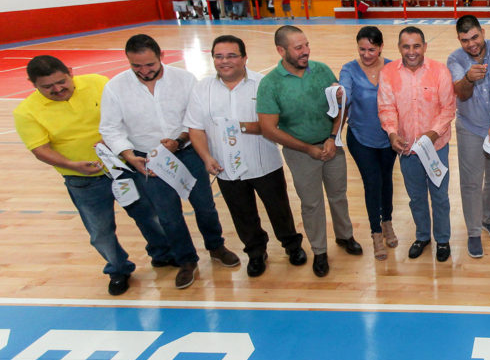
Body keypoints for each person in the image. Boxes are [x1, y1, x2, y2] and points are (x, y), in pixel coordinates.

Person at [14, 55, 172, 295]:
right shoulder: (25, 112)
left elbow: (125, 114)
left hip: (122, 168)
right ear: (32, 84)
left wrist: (115, 140)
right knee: (100, 230)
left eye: (61, 81)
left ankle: (164, 254)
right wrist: (72, 164)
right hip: (82, 180)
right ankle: (118, 268)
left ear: (70, 71)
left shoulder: (99, 83)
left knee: (148, 214)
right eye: (47, 87)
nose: (57, 89)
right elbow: (40, 149)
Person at [99, 34, 240, 290]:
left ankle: (216, 246)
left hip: (187, 152)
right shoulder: (115, 87)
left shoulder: (184, 80)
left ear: (161, 56)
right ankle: (186, 260)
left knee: (205, 207)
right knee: (168, 216)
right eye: (136, 66)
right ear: (128, 61)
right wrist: (129, 156)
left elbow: (197, 117)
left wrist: (179, 139)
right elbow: (110, 129)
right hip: (147, 161)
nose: (144, 71)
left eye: (149, 65)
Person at [185, 35, 307, 278]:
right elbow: (195, 128)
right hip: (226, 168)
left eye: (231, 55)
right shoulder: (202, 89)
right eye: (219, 56)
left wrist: (240, 126)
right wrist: (206, 157)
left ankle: (292, 245)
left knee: (279, 209)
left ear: (244, 57)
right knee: (242, 214)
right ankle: (255, 252)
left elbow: (278, 125)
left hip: (264, 164)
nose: (225, 61)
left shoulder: (264, 84)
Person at [257, 25, 361, 278]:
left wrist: (332, 137)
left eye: (307, 45)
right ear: (281, 50)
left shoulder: (322, 70)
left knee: (339, 195)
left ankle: (345, 236)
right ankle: (320, 251)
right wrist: (308, 149)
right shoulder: (270, 84)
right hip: (300, 153)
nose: (305, 51)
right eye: (298, 47)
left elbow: (342, 105)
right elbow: (269, 129)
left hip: (330, 146)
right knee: (312, 204)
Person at [378, 27, 457, 262]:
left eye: (416, 46)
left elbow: (448, 109)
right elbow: (386, 107)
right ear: (399, 48)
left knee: (440, 196)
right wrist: (392, 133)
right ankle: (423, 236)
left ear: (424, 46)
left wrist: (432, 135)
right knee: (416, 197)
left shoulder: (440, 72)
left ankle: (442, 239)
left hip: (436, 148)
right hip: (407, 151)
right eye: (406, 46)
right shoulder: (388, 73)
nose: (411, 51)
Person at [447, 15, 490, 258]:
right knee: (471, 182)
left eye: (475, 37)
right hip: (470, 128)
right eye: (465, 40)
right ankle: (474, 231)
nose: (471, 44)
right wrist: (468, 79)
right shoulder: (454, 58)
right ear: (459, 40)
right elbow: (461, 94)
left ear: (482, 32)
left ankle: (488, 218)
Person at [339, 26, 398, 261]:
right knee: (372, 183)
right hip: (361, 138)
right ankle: (375, 232)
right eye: (362, 49)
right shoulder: (349, 69)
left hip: (388, 138)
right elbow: (345, 91)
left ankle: (388, 223)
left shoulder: (393, 67)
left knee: (386, 181)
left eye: (371, 49)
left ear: (381, 47)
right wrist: (339, 93)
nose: (366, 54)